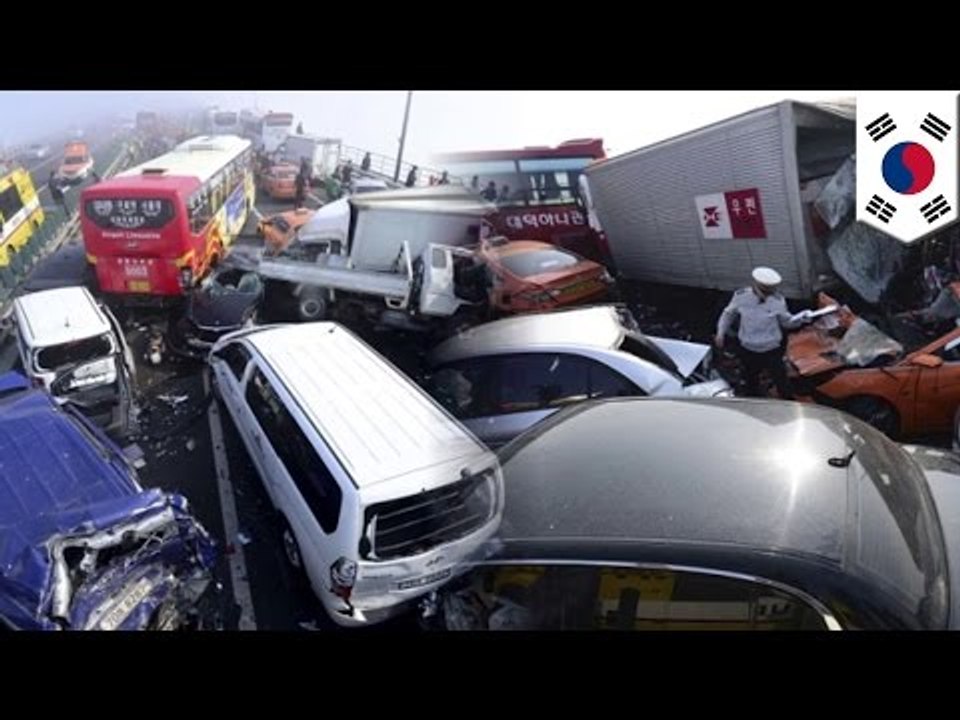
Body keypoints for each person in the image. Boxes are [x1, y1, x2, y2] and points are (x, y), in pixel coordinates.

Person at [715, 267, 811, 399]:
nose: (767, 296)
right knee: (750, 382)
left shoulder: (777, 301)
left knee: (782, 383)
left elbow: (787, 322)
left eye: (770, 292)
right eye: (764, 292)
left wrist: (801, 319)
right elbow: (728, 314)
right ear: (755, 286)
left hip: (771, 349)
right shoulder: (741, 296)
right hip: (749, 348)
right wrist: (721, 332)